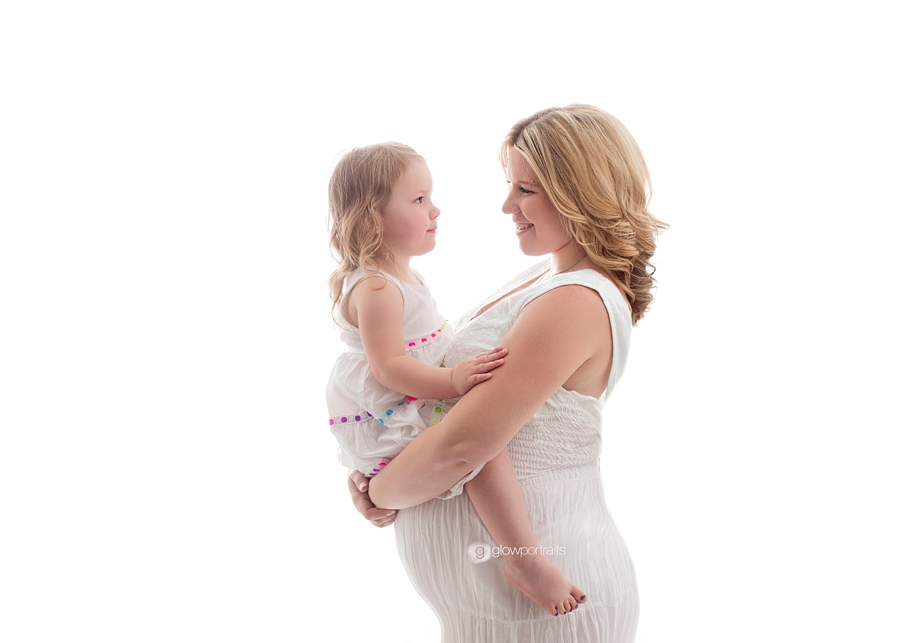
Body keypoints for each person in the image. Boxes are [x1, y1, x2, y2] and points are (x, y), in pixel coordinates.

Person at [349, 105, 666, 642]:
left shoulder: (574, 301)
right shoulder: (543, 276)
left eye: (526, 190)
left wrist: (379, 493)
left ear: (579, 192)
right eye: (510, 185)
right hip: (495, 611)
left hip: (546, 605)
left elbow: (464, 444)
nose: (507, 206)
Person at [326, 142, 589, 616]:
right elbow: (389, 367)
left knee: (481, 439)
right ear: (371, 220)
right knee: (482, 445)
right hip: (394, 399)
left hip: (404, 397)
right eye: (419, 199)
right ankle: (523, 559)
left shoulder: (399, 277)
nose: (435, 210)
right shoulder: (378, 288)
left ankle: (521, 556)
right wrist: (453, 381)